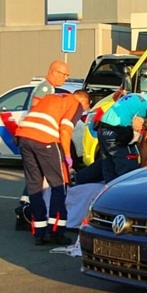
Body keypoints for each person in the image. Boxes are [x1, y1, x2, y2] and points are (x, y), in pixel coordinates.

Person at [16, 90, 90, 245]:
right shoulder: (75, 104)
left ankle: (38, 232)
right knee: (59, 185)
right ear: (84, 102)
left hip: (24, 137)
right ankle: (56, 231)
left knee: (35, 186)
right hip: (45, 140)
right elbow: (65, 130)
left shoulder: (52, 97)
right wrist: (68, 156)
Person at [14, 59, 73, 225]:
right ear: (54, 71)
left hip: (29, 136)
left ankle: (29, 213)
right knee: (42, 179)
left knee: (34, 179)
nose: (65, 78)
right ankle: (25, 209)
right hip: (39, 136)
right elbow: (36, 108)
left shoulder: (48, 87)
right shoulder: (45, 88)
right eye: (64, 74)